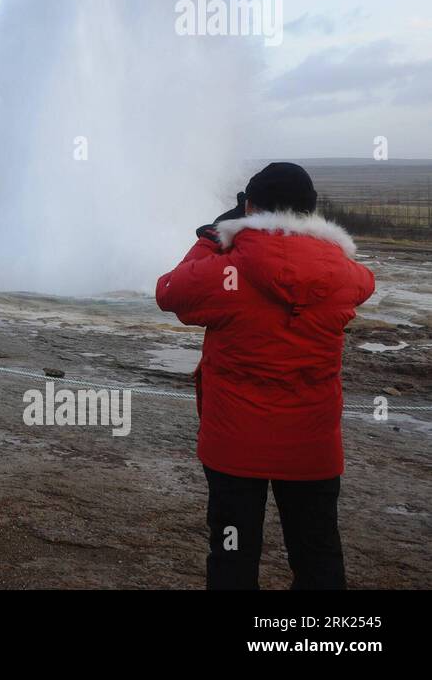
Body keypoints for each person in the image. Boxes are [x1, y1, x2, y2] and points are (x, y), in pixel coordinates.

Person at [156, 162, 375, 590]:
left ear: (250, 206)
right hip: (312, 447)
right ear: (311, 212)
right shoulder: (343, 274)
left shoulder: (227, 272)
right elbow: (364, 282)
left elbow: (169, 292)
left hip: (234, 446)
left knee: (233, 556)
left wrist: (212, 238)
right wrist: (324, 246)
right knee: (317, 556)